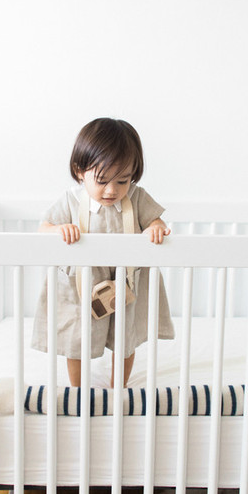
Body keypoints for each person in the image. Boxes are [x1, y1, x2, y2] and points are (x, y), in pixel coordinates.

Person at [31, 118, 174, 386]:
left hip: (126, 285)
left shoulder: (137, 197)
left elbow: (156, 221)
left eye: (122, 180)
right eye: (102, 180)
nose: (112, 190)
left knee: (125, 339)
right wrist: (60, 230)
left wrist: (155, 228)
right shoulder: (70, 201)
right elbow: (43, 228)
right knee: (77, 340)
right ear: (79, 171)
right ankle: (78, 389)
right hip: (80, 286)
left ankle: (117, 384)